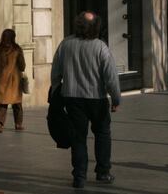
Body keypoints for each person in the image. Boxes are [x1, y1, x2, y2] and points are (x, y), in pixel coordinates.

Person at [50, 11, 121, 189]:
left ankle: (79, 176)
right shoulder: (100, 47)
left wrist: (57, 92)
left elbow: (55, 73)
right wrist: (116, 98)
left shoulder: (65, 44)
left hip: (72, 98)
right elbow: (111, 77)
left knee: (78, 138)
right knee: (103, 133)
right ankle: (103, 172)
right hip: (96, 98)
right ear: (96, 26)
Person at [0, 29, 26, 133]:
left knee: (3, 103)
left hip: (1, 79)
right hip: (14, 80)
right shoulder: (17, 49)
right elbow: (22, 66)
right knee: (17, 103)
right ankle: (18, 124)